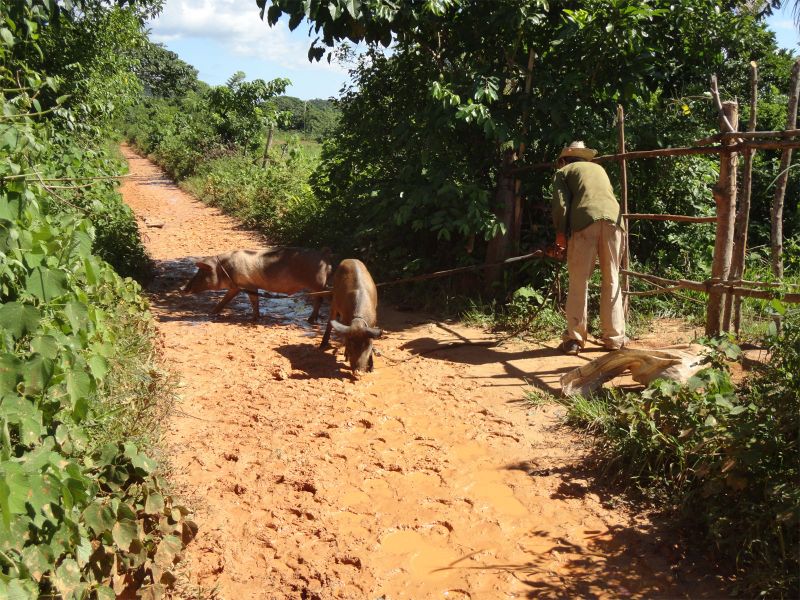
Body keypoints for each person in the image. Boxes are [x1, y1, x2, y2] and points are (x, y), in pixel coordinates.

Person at [551, 141, 626, 355]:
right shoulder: (599, 169)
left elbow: (560, 205)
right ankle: (614, 339)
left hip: (584, 222)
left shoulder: (564, 171)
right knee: (611, 278)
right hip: (615, 221)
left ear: (564, 160)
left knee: (579, 280)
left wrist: (560, 234)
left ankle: (574, 339)